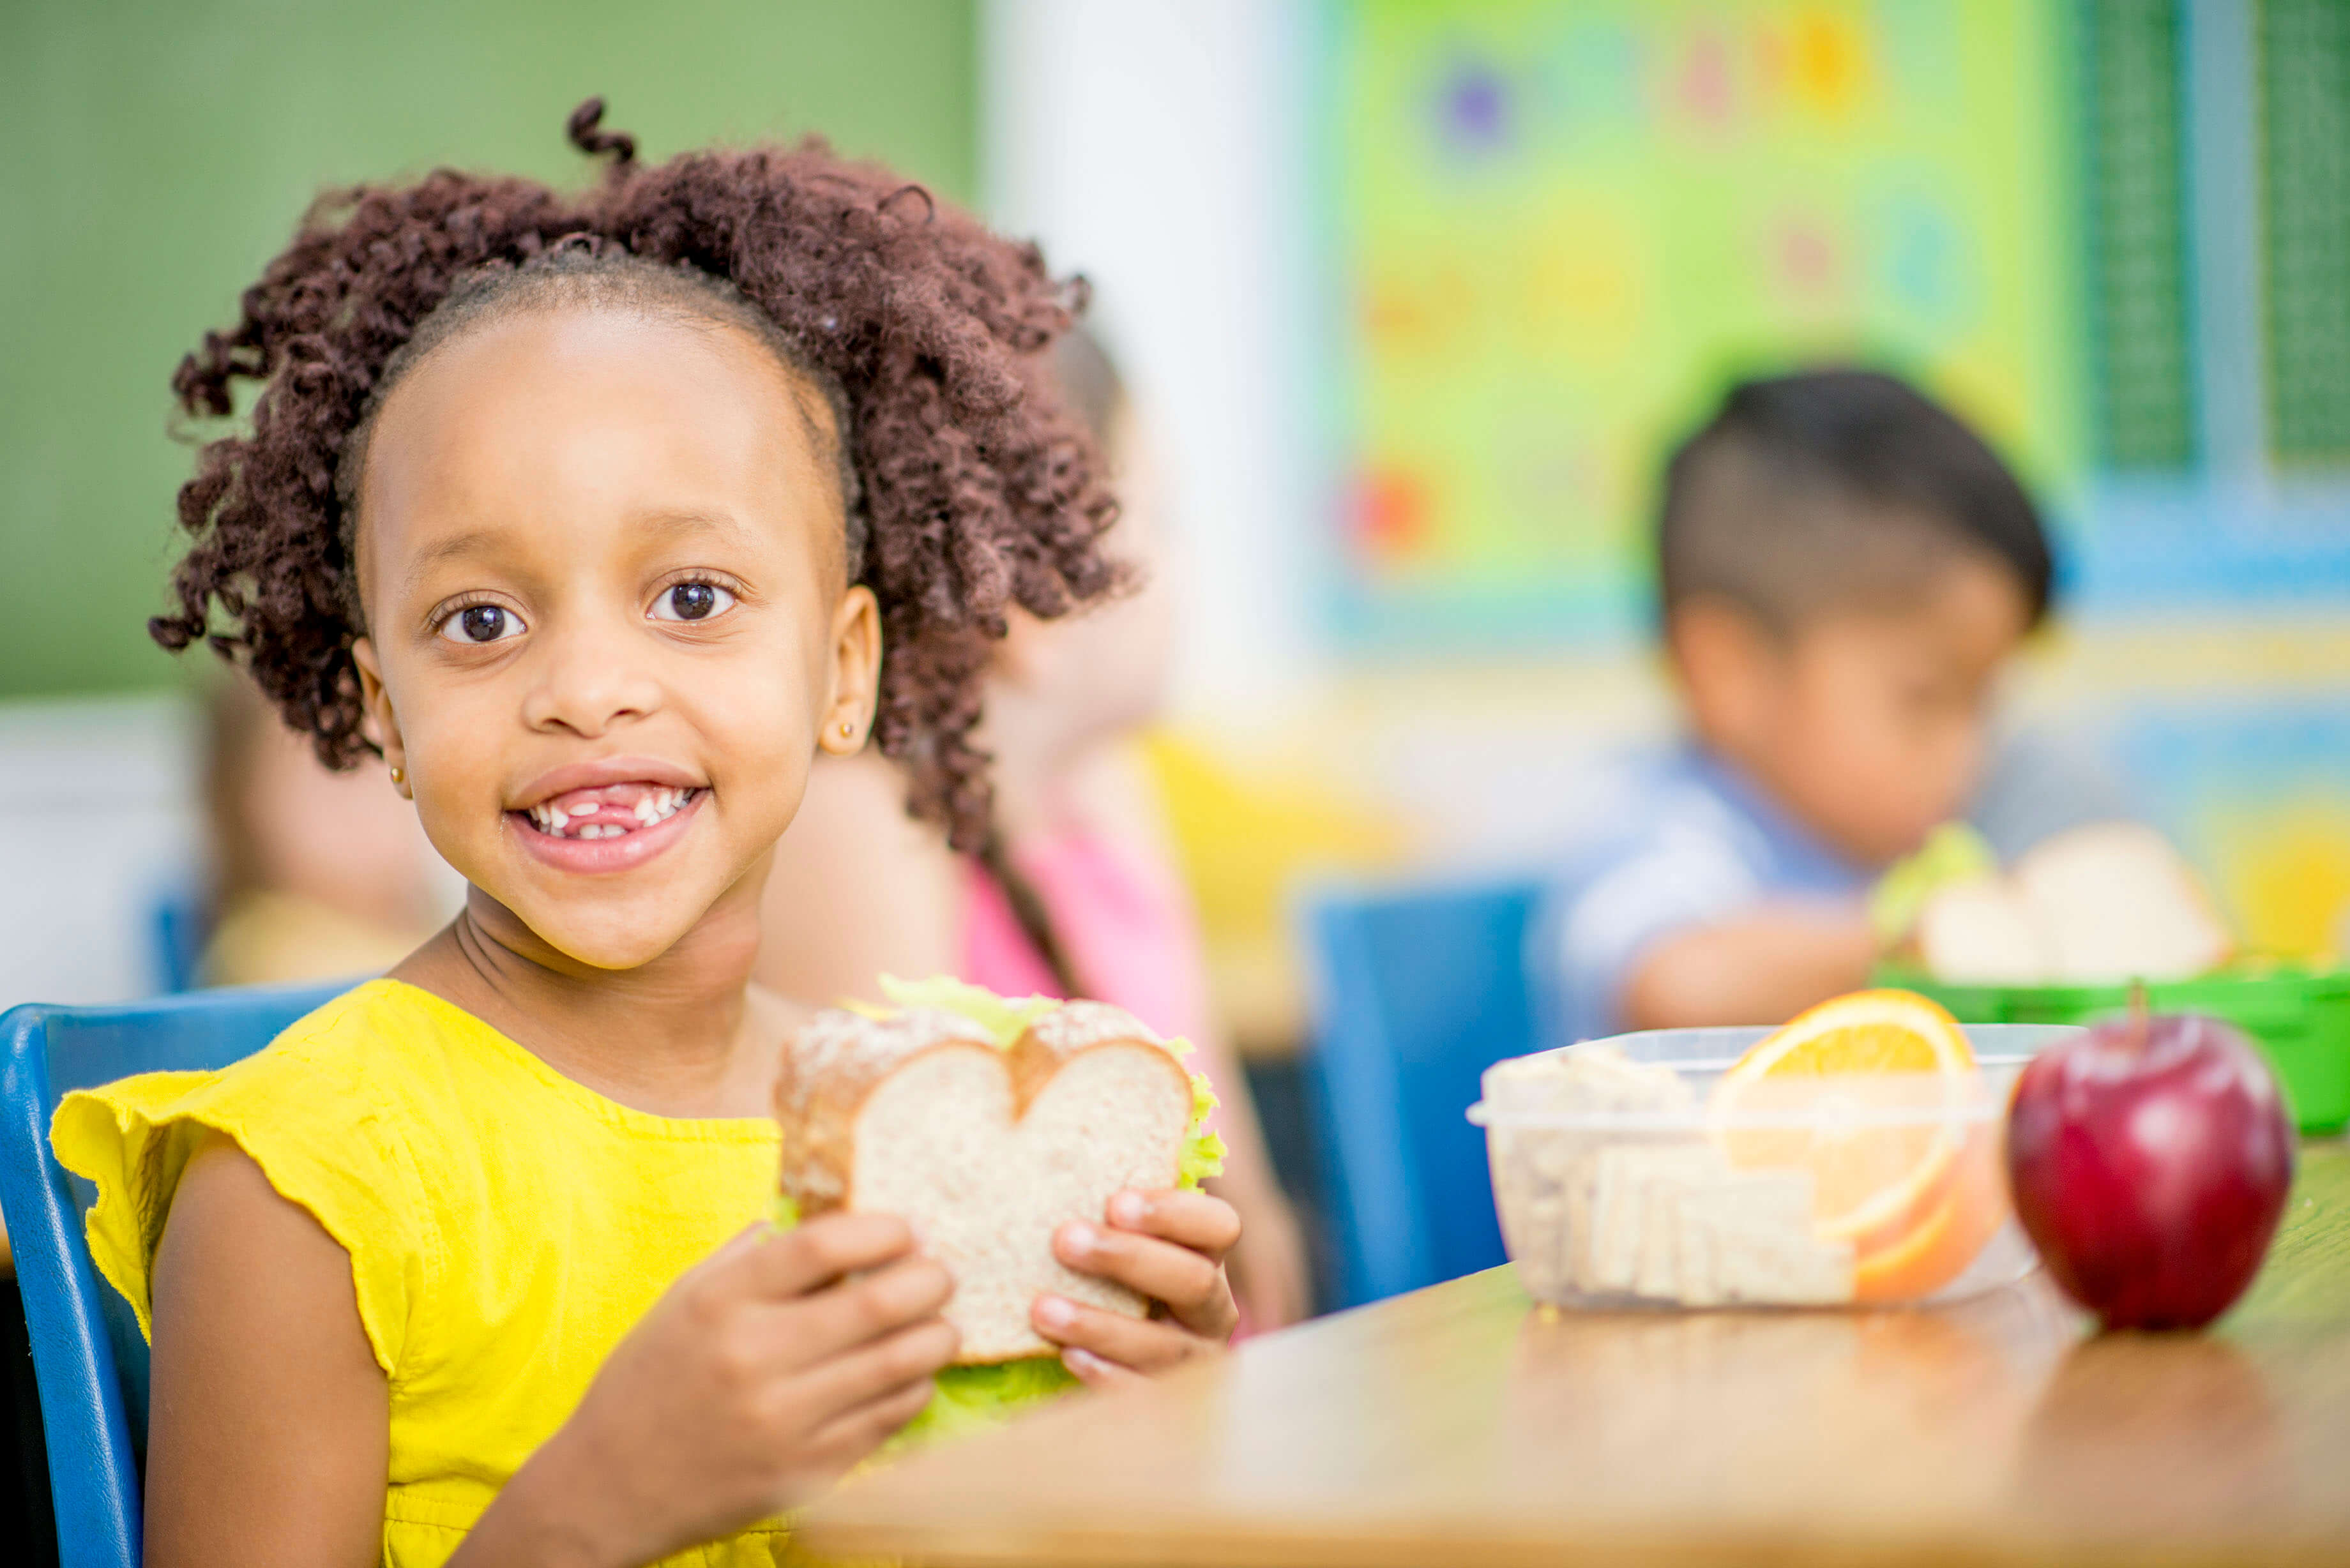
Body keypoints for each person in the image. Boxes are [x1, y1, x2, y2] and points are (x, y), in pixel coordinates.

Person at [52, 102, 1241, 1568]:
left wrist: (1154, 1440)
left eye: (690, 596)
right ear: (383, 709)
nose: (588, 688)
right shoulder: (302, 1186)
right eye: (479, 620)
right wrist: (604, 1497)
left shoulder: (913, 1133)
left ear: (845, 670)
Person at [758, 329, 1312, 1331]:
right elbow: (900, 1239)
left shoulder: (1104, 786)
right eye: (1165, 519)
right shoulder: (862, 822)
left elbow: (1247, 1221)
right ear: (1028, 596)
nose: (1188, 566)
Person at [1538, 368, 2056, 1041]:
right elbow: (1673, 984)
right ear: (1729, 673)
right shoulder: (1659, 826)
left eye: (1982, 704)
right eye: (1921, 700)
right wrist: (1937, 932)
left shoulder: (1870, 852)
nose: (1965, 753)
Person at [198, 673, 448, 986]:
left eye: (389, 756)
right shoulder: (272, 959)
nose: (381, 791)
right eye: (337, 767)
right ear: (248, 801)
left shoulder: (430, 933)